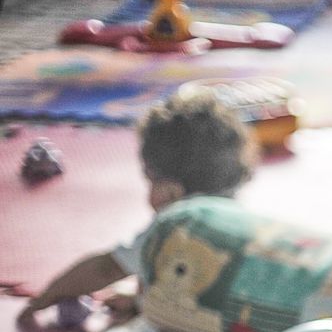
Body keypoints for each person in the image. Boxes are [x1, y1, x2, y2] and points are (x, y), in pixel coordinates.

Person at [23, 87, 256, 319]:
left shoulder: (176, 228)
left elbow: (105, 269)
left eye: (149, 180)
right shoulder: (244, 220)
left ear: (170, 193)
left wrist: (47, 296)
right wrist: (138, 301)